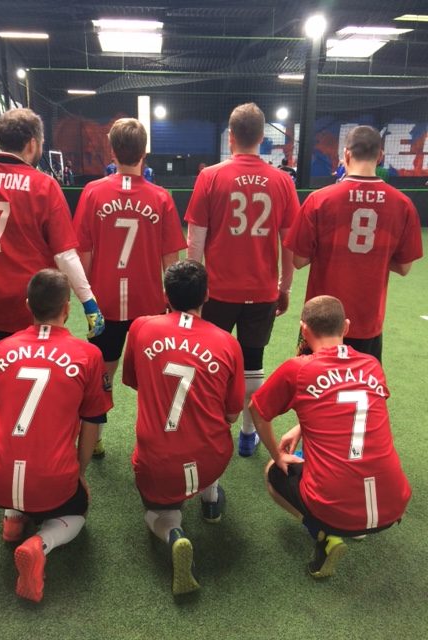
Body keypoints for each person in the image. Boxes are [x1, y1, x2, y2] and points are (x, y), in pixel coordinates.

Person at [0, 108, 104, 444]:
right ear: (32, 143)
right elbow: (64, 254)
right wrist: (89, 302)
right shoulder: (43, 185)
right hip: (37, 304)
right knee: (42, 372)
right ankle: (39, 446)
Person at [0, 269, 113, 602]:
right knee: (78, 510)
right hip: (49, 480)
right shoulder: (89, 355)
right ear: (67, 308)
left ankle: (13, 518)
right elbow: (92, 422)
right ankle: (41, 543)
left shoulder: (1, 349)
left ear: (27, 305)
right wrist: (79, 474)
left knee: (16, 447)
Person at [249, 295, 411, 579]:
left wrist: (277, 454)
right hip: (394, 504)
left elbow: (256, 410)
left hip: (335, 505)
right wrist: (300, 428)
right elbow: (352, 404)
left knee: (274, 471)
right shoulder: (372, 364)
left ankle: (323, 532)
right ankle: (356, 524)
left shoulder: (298, 368)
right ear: (346, 327)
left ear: (304, 329)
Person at [122, 260, 244, 595]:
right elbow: (233, 415)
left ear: (166, 294)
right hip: (211, 458)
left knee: (158, 512)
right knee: (213, 428)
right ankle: (210, 498)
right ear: (207, 295)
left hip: (158, 463)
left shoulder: (141, 327)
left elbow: (132, 381)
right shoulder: (228, 342)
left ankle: (173, 533)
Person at [185, 102, 299, 457]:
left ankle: (211, 429)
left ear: (230, 137)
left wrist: (191, 289)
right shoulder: (283, 181)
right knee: (253, 360)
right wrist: (284, 287)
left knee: (211, 362)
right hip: (262, 291)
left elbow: (195, 240)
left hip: (216, 291)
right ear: (262, 137)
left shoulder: (210, 176)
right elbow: (289, 243)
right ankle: (248, 436)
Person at [74, 117, 186, 457]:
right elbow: (171, 259)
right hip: (149, 306)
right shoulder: (161, 197)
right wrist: (173, 302)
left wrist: (86, 299)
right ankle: (152, 442)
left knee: (101, 376)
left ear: (112, 150)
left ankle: (93, 440)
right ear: (144, 152)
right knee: (151, 379)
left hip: (104, 303)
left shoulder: (92, 193)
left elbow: (83, 254)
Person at [285, 125, 423, 362]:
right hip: (367, 319)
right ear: (380, 156)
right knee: (362, 379)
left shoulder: (320, 199)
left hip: (322, 318)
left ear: (346, 155)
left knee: (312, 378)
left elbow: (298, 260)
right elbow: (404, 267)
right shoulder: (402, 204)